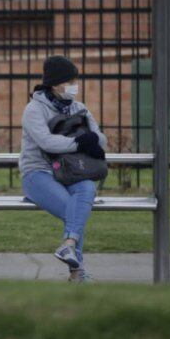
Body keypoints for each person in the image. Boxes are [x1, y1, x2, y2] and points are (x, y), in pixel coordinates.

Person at [19, 55, 107, 284]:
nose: (74, 85)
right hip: (38, 174)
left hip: (70, 172)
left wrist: (92, 138)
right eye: (70, 80)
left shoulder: (79, 108)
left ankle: (68, 246)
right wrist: (79, 142)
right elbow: (46, 142)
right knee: (75, 209)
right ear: (56, 83)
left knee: (87, 188)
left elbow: (101, 139)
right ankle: (78, 274)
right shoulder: (34, 110)